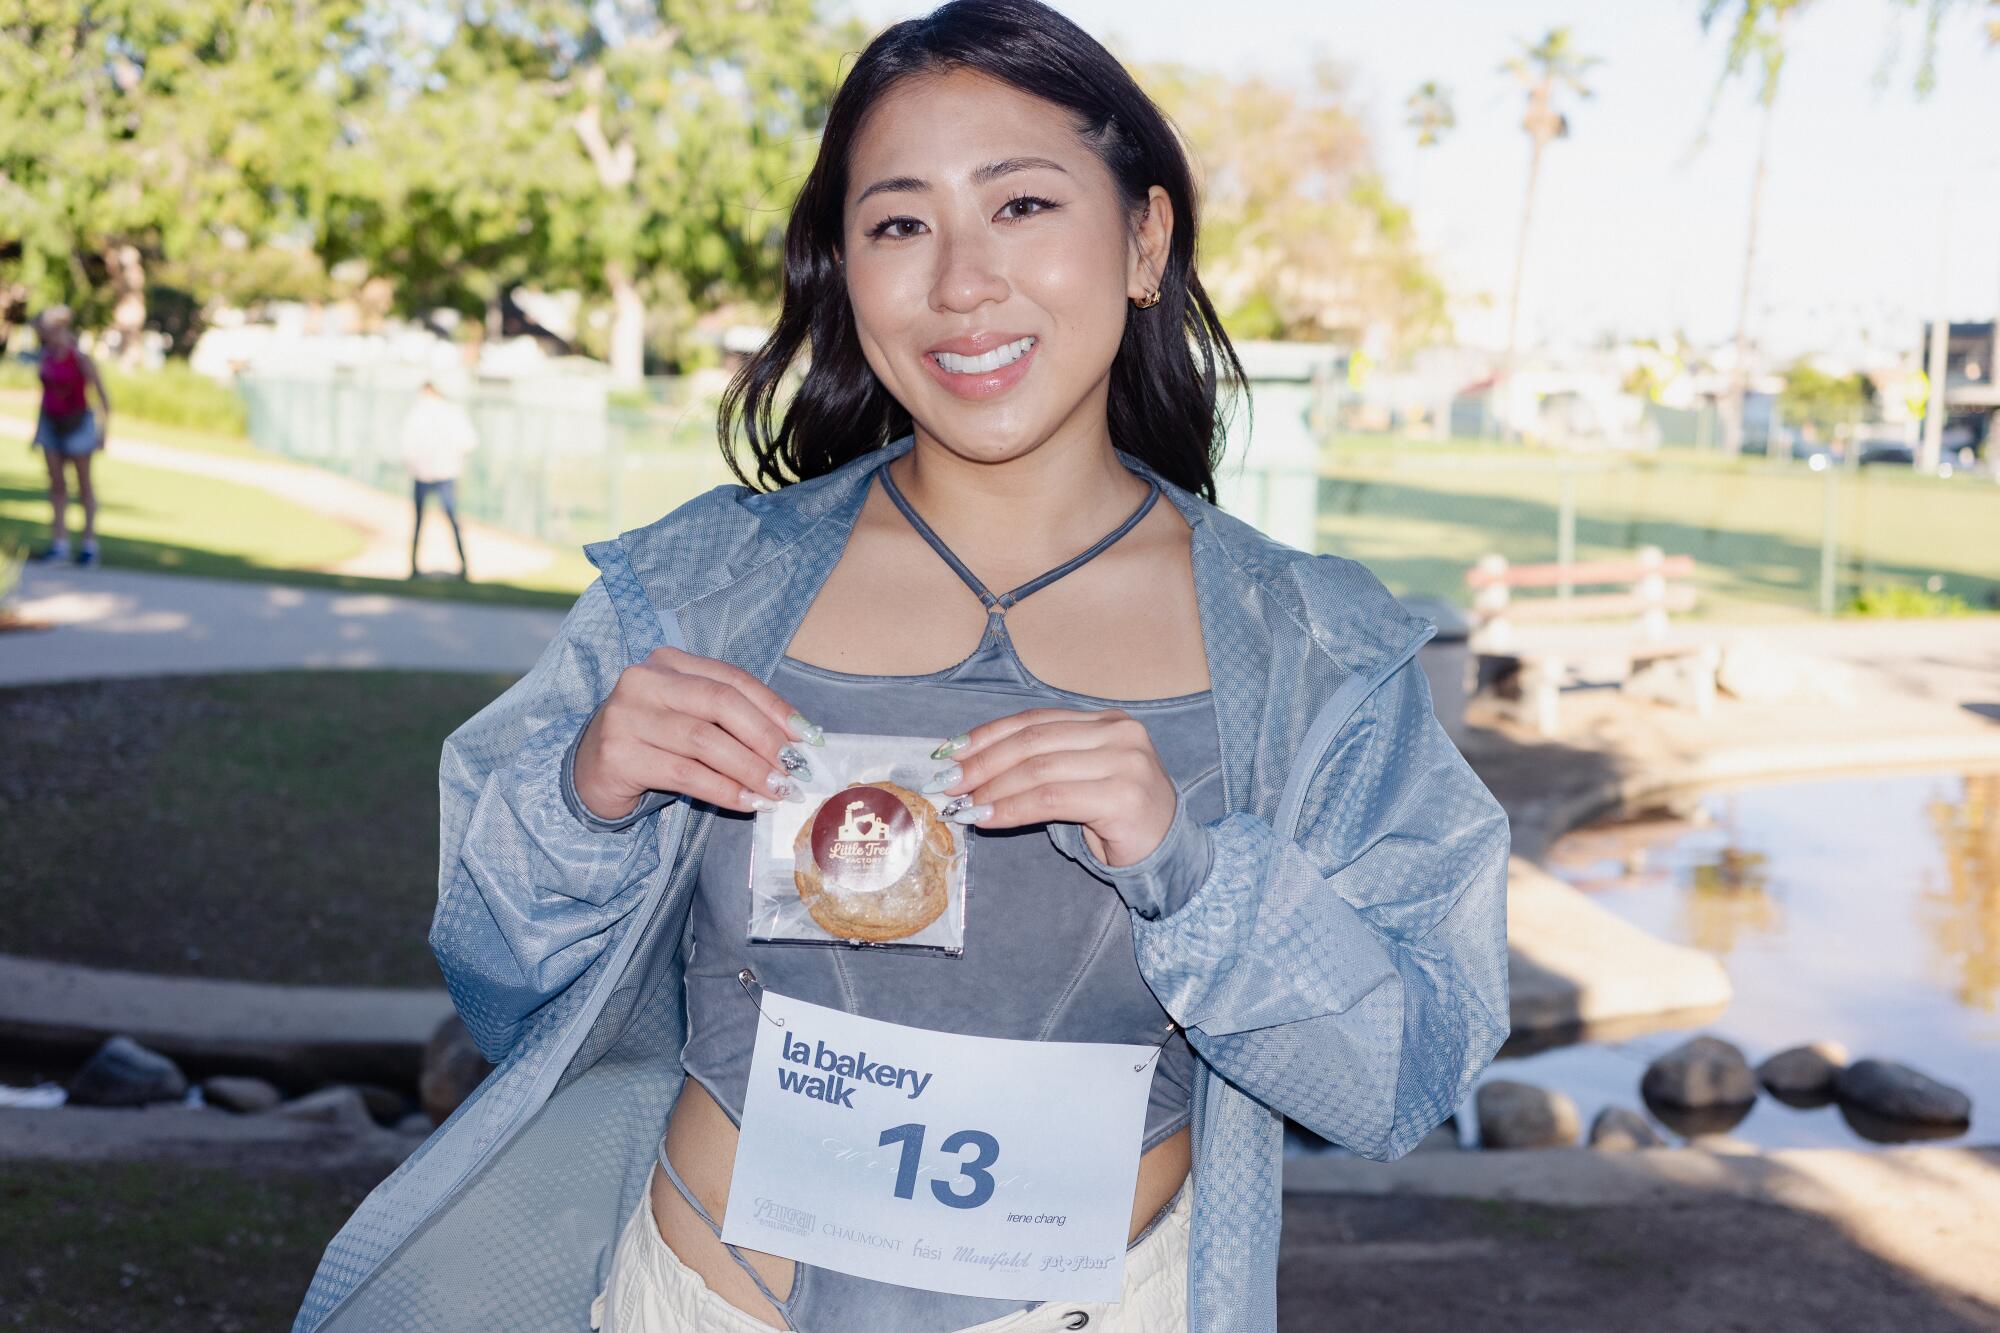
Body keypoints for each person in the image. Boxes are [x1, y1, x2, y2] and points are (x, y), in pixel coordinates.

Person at [294, 4, 1510, 1331]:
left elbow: (1400, 1074)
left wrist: (1190, 863)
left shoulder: (1312, 648)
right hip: (695, 1302)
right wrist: (586, 799)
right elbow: (497, 975)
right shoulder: (701, 587)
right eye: (898, 223)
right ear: (843, 269)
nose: (962, 282)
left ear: (1146, 238)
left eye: (1023, 205)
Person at [27, 306, 111, 567]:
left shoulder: (81, 358)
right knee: (56, 486)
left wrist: (102, 433)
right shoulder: (46, 357)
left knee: (84, 485)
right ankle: (59, 544)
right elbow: (46, 394)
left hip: (78, 423)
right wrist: (37, 431)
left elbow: (103, 399)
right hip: (51, 423)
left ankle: (88, 546)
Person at [399, 380, 477, 579]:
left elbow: (467, 442)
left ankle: (458, 567)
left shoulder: (440, 413)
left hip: (439, 473)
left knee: (442, 519)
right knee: (440, 520)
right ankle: (419, 567)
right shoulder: (442, 413)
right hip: (436, 473)